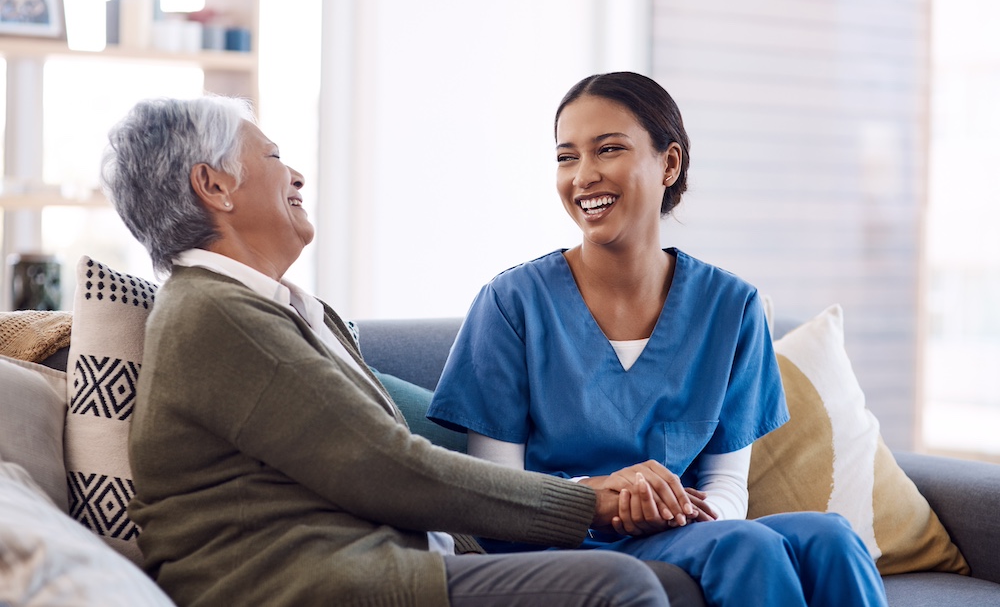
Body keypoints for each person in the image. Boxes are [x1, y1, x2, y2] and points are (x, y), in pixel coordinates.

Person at [100, 95, 685, 607]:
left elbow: (397, 446)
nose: (298, 176)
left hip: (368, 563)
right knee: (614, 588)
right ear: (215, 186)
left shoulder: (273, 310)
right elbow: (385, 467)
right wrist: (585, 501)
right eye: (275, 158)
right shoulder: (217, 313)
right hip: (299, 584)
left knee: (666, 579)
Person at [426, 72, 888, 607]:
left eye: (609, 149)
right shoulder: (510, 304)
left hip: (685, 533)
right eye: (566, 157)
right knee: (747, 547)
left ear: (669, 164)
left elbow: (726, 483)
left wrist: (685, 512)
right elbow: (496, 492)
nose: (583, 175)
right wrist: (603, 499)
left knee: (832, 537)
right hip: (557, 544)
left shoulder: (731, 307)